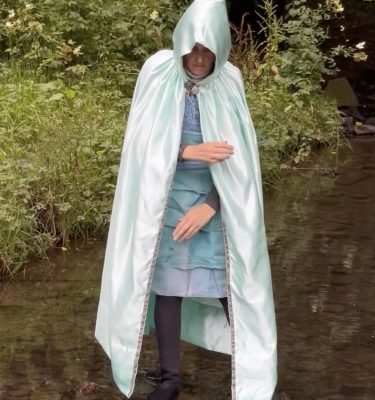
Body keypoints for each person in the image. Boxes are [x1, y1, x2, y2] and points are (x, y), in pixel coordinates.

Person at [95, 1, 277, 399]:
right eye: (192, 49)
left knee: (235, 283)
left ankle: (255, 375)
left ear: (221, 50)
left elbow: (241, 161)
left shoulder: (230, 80)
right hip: (163, 196)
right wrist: (183, 153)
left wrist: (211, 204)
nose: (198, 59)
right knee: (167, 285)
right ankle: (170, 377)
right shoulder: (158, 72)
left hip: (216, 198)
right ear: (179, 46)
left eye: (207, 50)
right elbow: (139, 146)